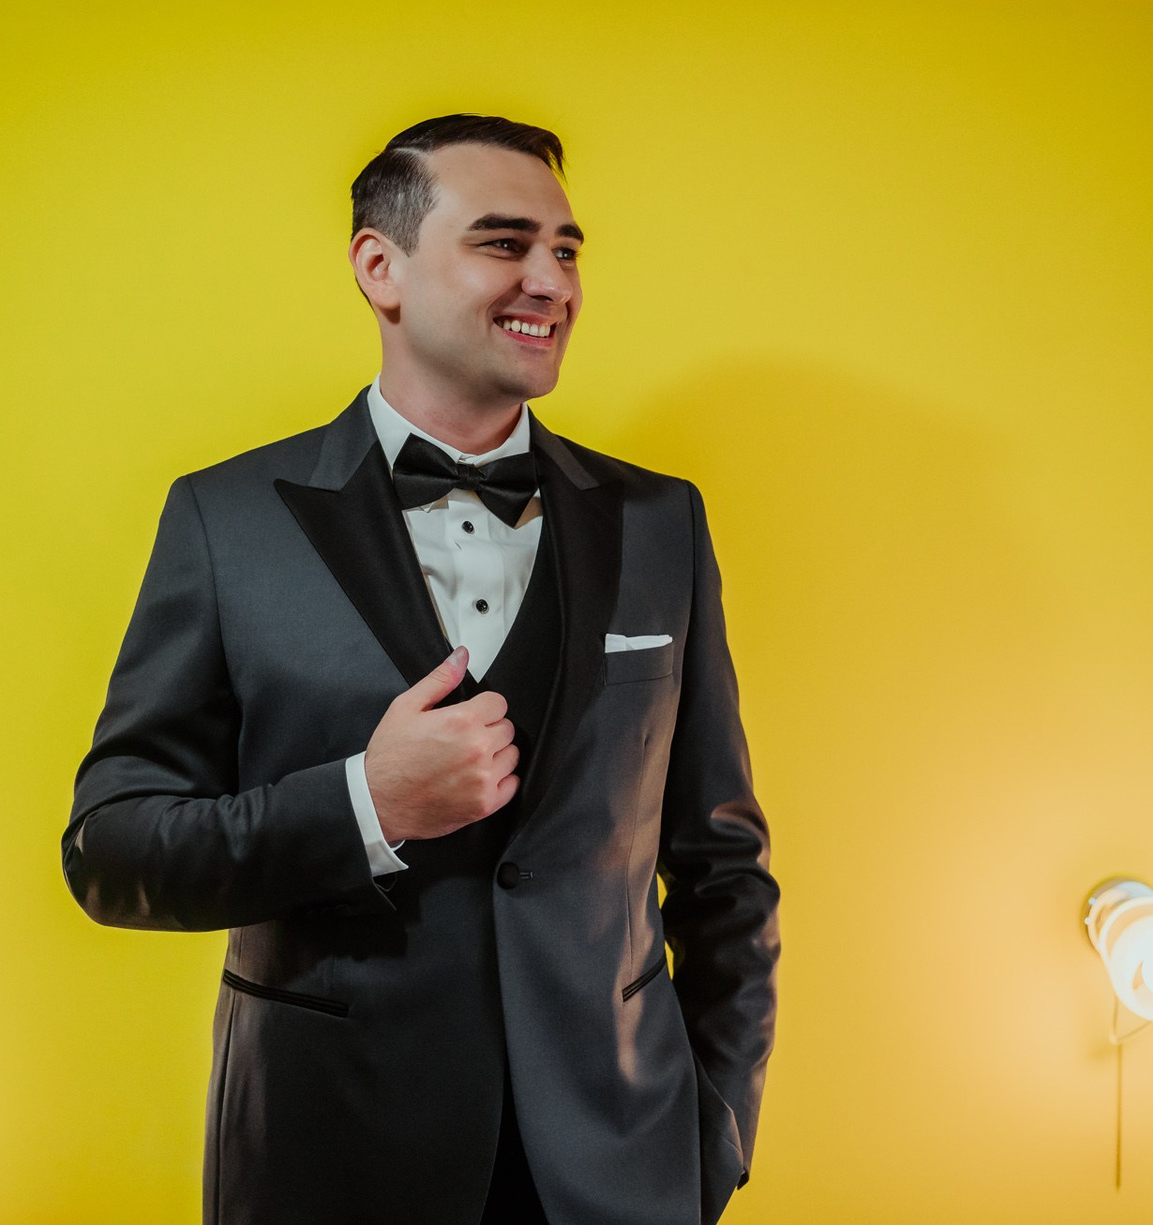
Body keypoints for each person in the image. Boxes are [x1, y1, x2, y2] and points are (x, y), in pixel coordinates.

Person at [61, 113, 779, 1225]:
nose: (552, 281)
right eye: (504, 243)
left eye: (567, 250)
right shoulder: (227, 521)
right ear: (378, 268)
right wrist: (366, 804)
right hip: (327, 1165)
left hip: (618, 1172)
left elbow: (724, 869)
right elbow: (112, 849)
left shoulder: (659, 522)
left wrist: (713, 1136)